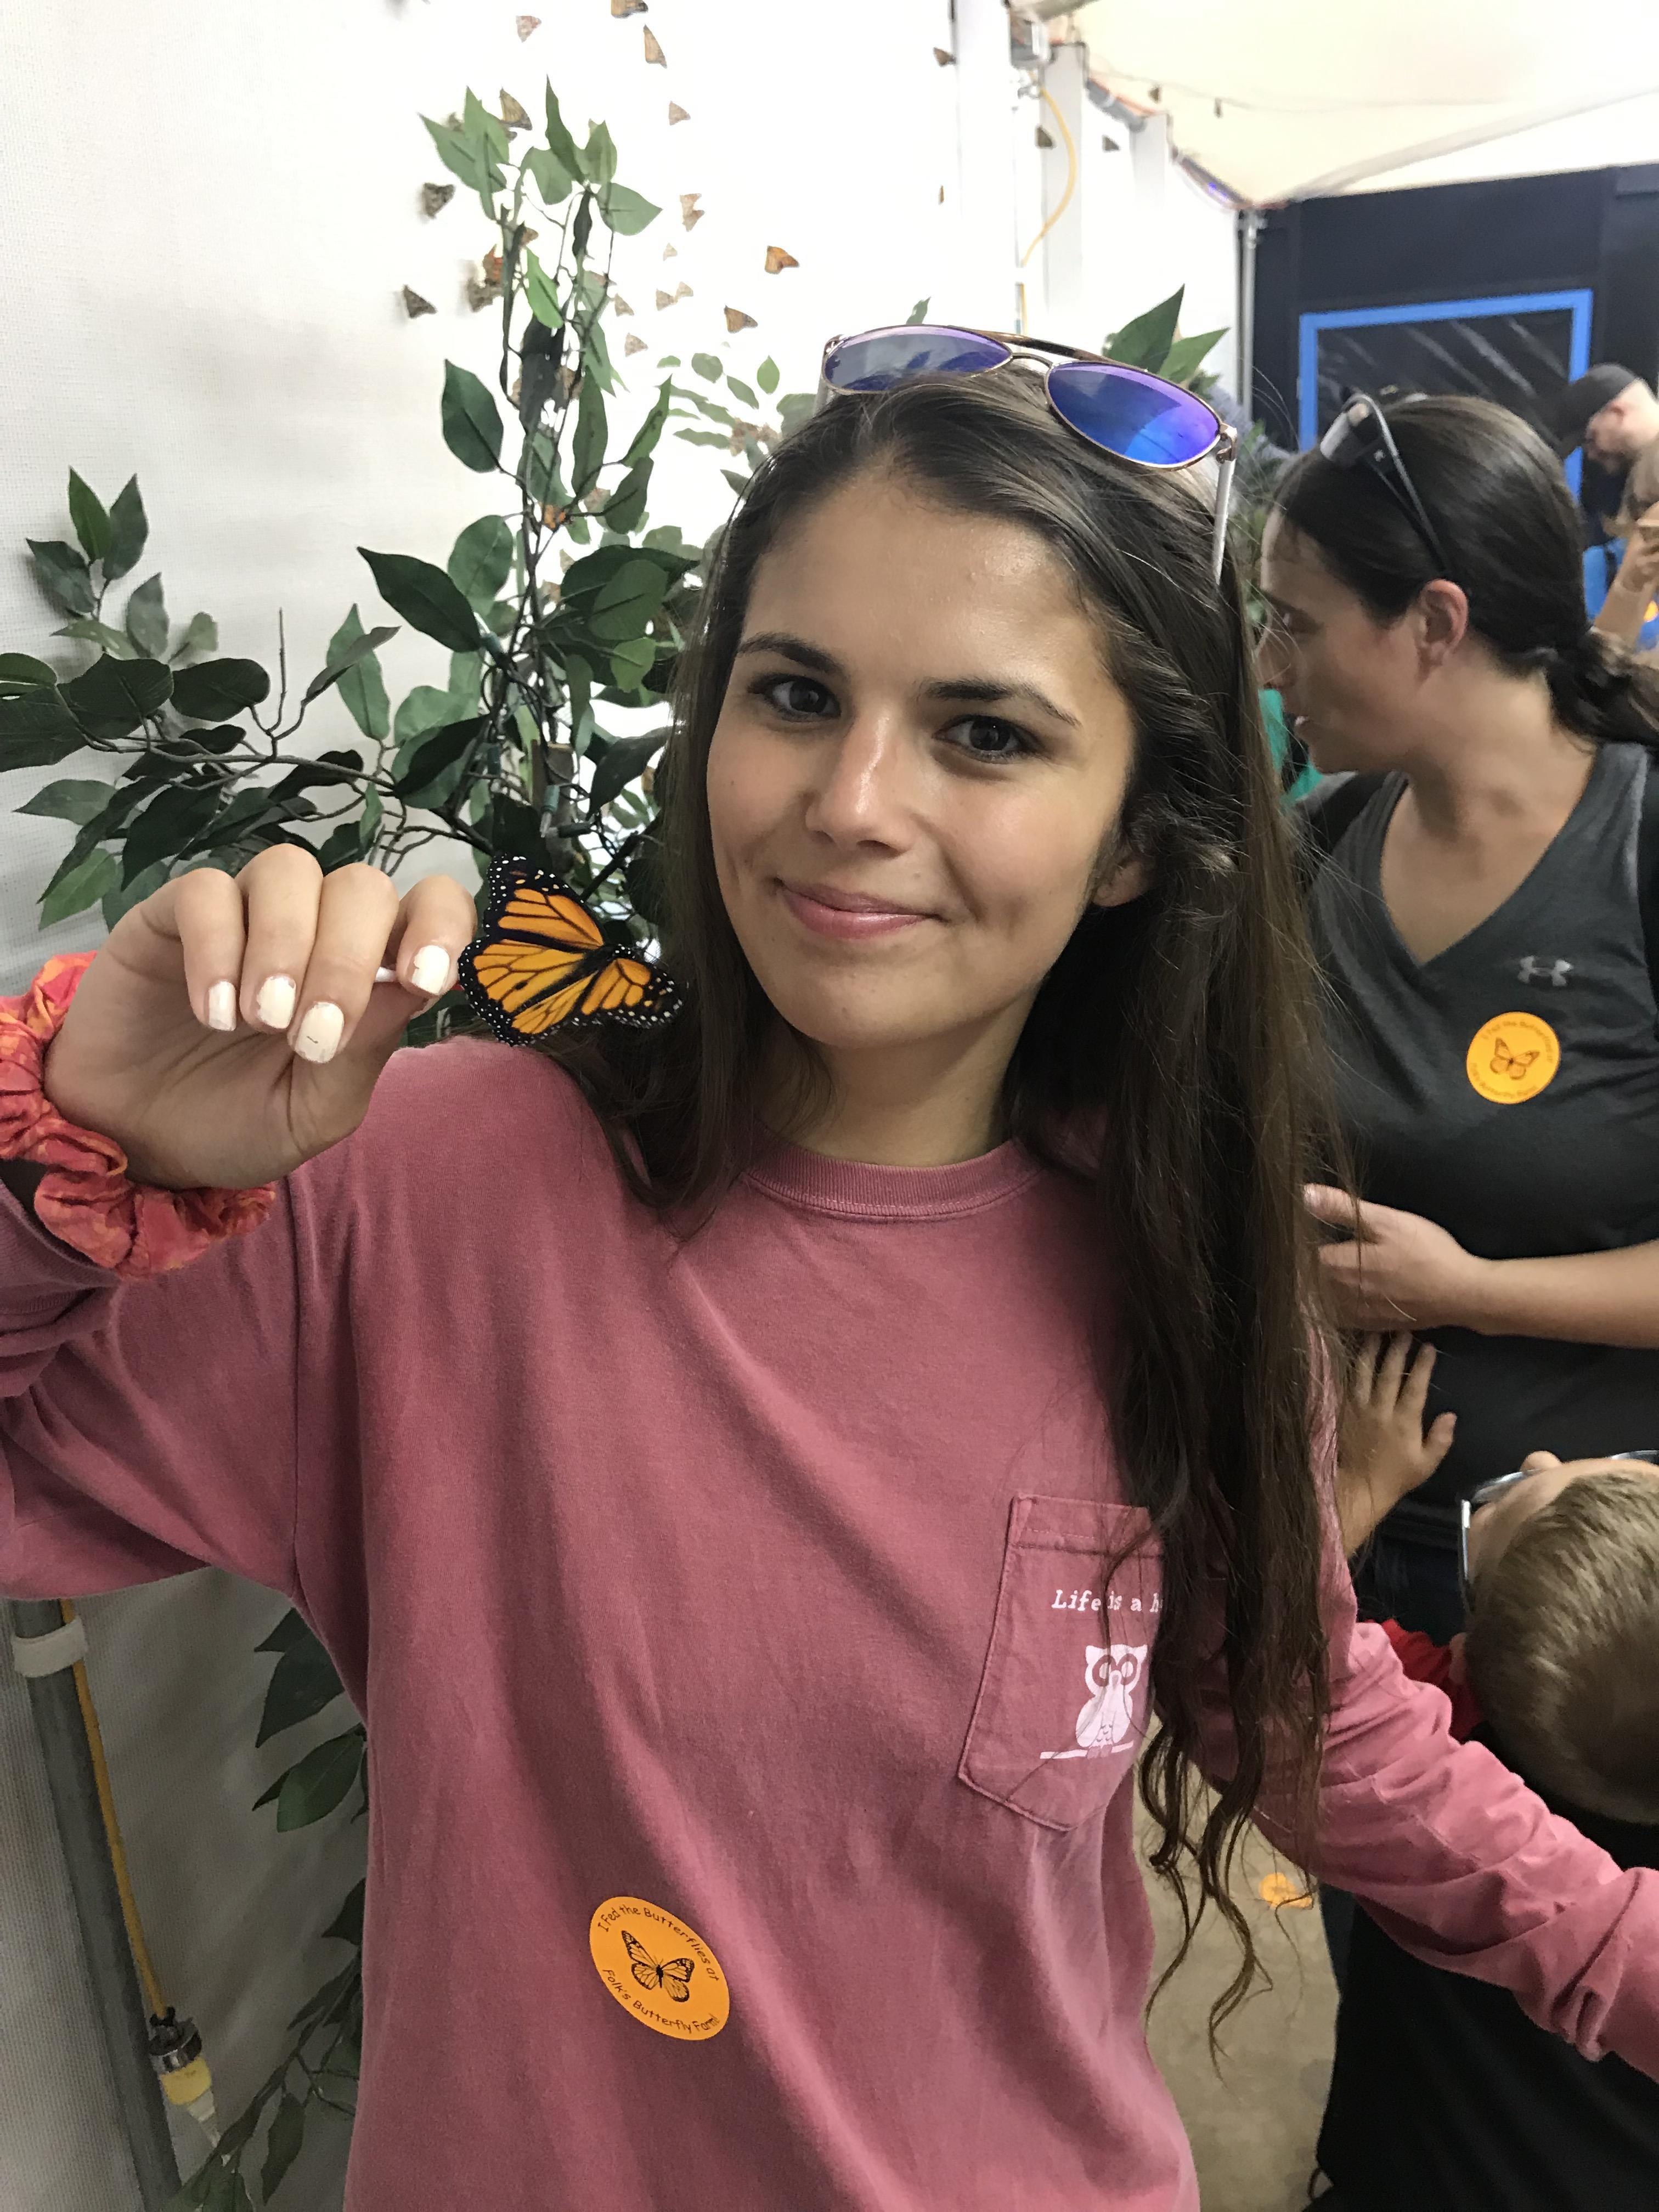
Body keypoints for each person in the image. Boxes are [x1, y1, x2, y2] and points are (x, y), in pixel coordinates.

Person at [5, 363, 1659, 2212]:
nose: (849, 801)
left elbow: (1295, 1708)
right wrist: (71, 1152)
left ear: (1135, 834)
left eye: (984, 733)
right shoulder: (441, 1186)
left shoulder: (1182, 1263)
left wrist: (1619, 1955)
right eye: (794, 696)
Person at [1258, 393, 1659, 1661]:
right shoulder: (1321, 849)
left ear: (1435, 623)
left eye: (1295, 626)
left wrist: (1473, 1293)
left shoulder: (1639, 853)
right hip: (1368, 1562)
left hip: (1608, 1596)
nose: (1272, 665)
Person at [1311, 1336, 1659, 2209]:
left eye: (1495, 1502)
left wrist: (1353, 1490)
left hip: (1409, 2168)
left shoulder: (1438, 1742)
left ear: (1458, 1664)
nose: (1537, 1454)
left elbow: (1291, 1666)